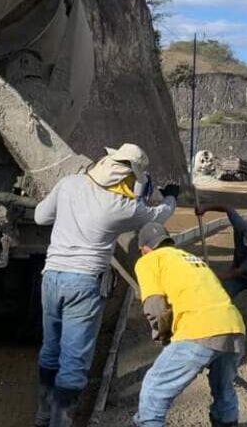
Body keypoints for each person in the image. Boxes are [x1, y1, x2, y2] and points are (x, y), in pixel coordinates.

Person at [33, 143, 180, 427]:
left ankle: (42, 415)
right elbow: (159, 215)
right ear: (130, 178)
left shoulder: (69, 184)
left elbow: (41, 217)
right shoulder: (122, 208)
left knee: (50, 350)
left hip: (51, 277)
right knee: (73, 364)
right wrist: (171, 197)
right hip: (84, 283)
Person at [133, 222, 246, 427]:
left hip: (199, 329)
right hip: (234, 327)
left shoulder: (149, 260)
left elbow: (155, 307)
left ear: (144, 248)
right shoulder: (191, 259)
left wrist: (162, 334)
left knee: (154, 389)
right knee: (223, 389)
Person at [196, 203, 247, 327]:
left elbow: (236, 272)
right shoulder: (240, 226)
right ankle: (216, 315)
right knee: (222, 294)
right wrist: (205, 207)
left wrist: (213, 275)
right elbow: (227, 207)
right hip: (238, 270)